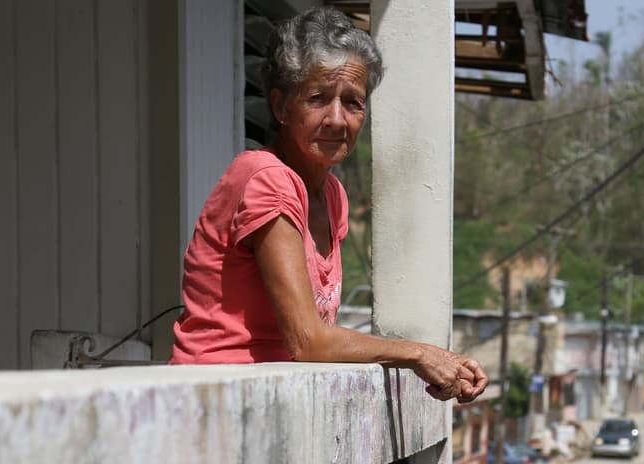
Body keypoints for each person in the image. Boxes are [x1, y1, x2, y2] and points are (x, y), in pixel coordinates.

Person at [171, 7, 486, 404]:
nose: (337, 119)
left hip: (278, 401)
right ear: (281, 106)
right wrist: (419, 353)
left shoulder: (331, 194)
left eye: (353, 103)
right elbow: (310, 342)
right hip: (216, 404)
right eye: (318, 98)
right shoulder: (265, 179)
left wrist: (444, 363)